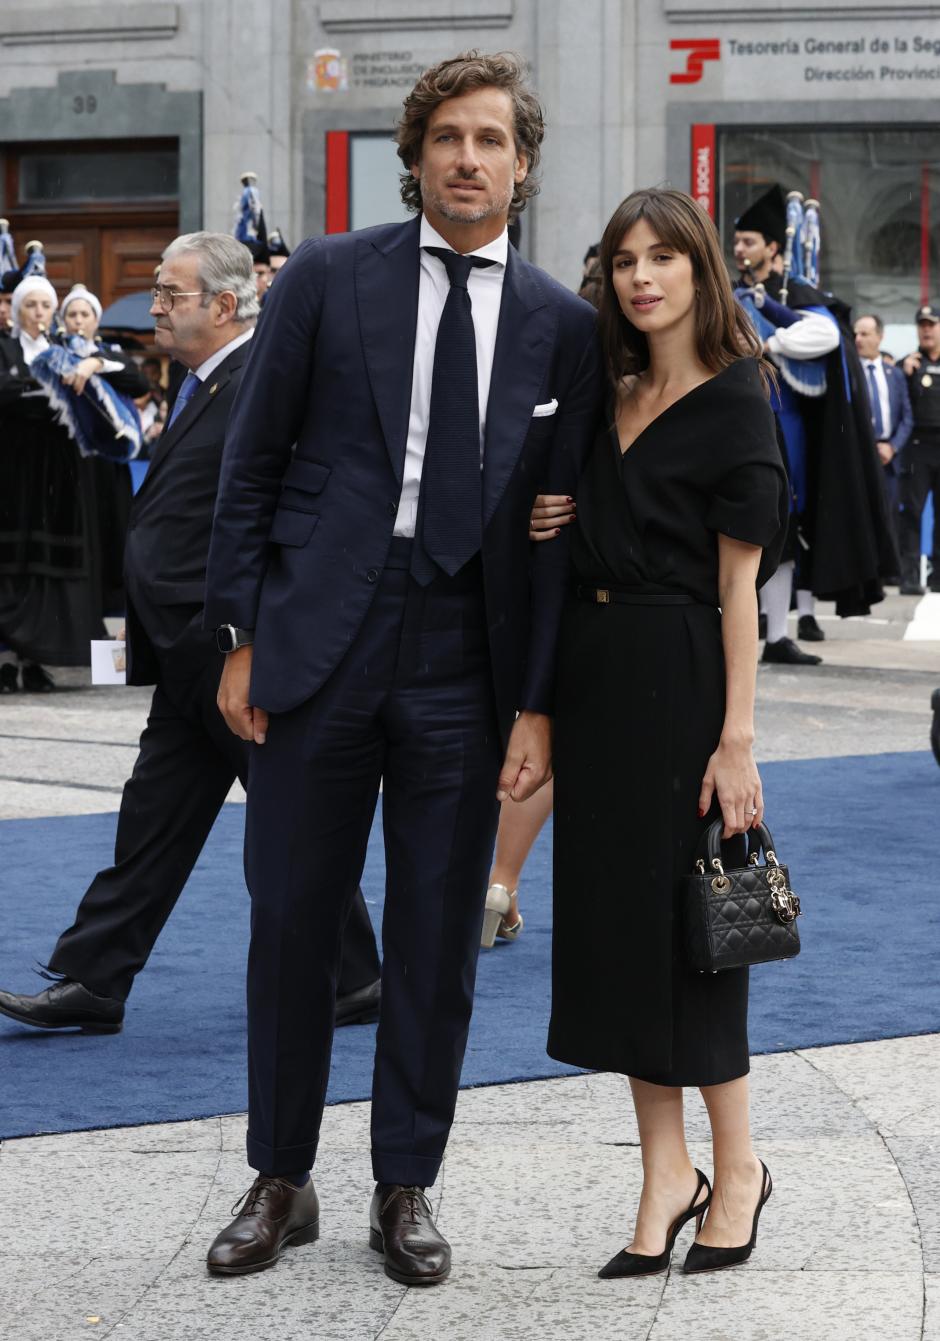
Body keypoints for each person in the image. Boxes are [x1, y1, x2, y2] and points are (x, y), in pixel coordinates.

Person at [202, 51, 602, 1285]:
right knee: (293, 922)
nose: (467, 158)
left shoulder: (562, 326)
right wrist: (242, 637)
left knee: (435, 934)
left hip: (463, 659)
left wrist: (534, 699)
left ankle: (406, 1185)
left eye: (491, 139)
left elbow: (558, 530)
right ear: (416, 156)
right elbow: (250, 461)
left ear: (522, 164)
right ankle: (280, 1176)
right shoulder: (328, 276)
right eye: (447, 138)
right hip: (320, 639)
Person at [0, 233, 380, 1035]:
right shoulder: (209, 380)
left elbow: (273, 517)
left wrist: (245, 633)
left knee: (292, 813)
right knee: (155, 821)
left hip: (226, 649)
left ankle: (354, 976)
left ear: (223, 304)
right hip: (188, 652)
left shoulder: (258, 381)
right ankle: (94, 977)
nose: (158, 306)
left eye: (172, 293)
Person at [548, 188, 788, 1278]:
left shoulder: (740, 397)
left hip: (685, 685)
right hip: (598, 692)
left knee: (690, 938)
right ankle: (664, 1173)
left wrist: (735, 738)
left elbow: (739, 592)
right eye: (623, 261)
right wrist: (554, 510)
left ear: (700, 270)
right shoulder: (610, 390)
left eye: (663, 258)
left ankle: (734, 1168)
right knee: (614, 942)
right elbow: (572, 521)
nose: (641, 277)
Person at [733, 185, 896, 651]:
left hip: (789, 429)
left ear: (773, 247)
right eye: (738, 242)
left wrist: (770, 344)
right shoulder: (736, 292)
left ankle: (790, 624)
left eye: (748, 241)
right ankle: (767, 622)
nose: (739, 249)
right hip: (743, 423)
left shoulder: (795, 294)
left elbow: (825, 334)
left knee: (791, 525)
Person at [0, 275, 111, 692]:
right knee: (13, 558)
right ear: (18, 311)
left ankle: (35, 658)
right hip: (13, 467)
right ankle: (8, 656)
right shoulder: (6, 348)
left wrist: (92, 364)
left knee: (47, 561)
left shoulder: (66, 351)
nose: (39, 313)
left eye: (46, 306)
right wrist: (42, 384)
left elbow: (123, 380)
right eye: (31, 305)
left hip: (58, 472)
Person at [854, 312, 912, 563]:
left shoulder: (895, 374)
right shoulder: (850, 373)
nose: (858, 339)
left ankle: (887, 568)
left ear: (879, 337)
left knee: (889, 514)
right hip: (860, 455)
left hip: (890, 457)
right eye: (856, 333)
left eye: (865, 334)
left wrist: (893, 447)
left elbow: (907, 417)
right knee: (860, 516)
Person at [899, 303, 940, 594]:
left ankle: (938, 575)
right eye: (922, 325)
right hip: (917, 446)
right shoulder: (908, 364)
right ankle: (910, 576)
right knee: (912, 511)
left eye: (931, 324)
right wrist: (905, 373)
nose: (926, 329)